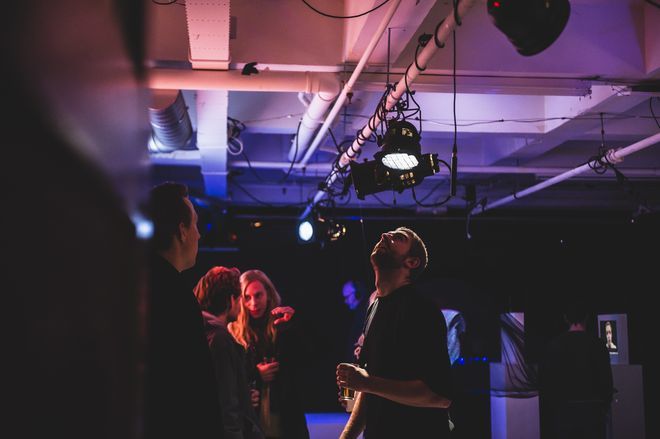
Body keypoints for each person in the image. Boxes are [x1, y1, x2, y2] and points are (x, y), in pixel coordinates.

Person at [337, 227, 453, 439]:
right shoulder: (374, 308)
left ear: (412, 262)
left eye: (398, 238)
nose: (384, 236)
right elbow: (370, 390)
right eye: (388, 234)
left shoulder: (422, 310)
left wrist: (365, 383)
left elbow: (439, 396)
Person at [145, 182, 224, 439]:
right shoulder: (175, 296)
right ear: (181, 231)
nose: (199, 235)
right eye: (195, 225)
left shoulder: (143, 284)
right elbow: (192, 389)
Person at [229, 270, 310, 439]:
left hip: (284, 414)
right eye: (247, 297)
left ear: (268, 294)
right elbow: (229, 377)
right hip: (252, 416)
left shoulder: (281, 324)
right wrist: (256, 374)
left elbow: (305, 360)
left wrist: (293, 326)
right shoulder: (234, 330)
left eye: (258, 295)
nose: (253, 303)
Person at [194, 266, 265, 439]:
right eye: (241, 297)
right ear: (231, 300)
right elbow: (227, 406)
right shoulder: (219, 339)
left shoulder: (201, 330)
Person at [538, 303, 614, 439]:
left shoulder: (554, 345)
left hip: (563, 412)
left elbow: (547, 382)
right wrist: (604, 404)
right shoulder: (598, 344)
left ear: (565, 318)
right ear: (587, 318)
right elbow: (606, 380)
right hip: (592, 412)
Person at [340, 279, 370, 362]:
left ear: (358, 294)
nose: (345, 301)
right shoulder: (358, 314)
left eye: (347, 297)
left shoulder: (365, 313)